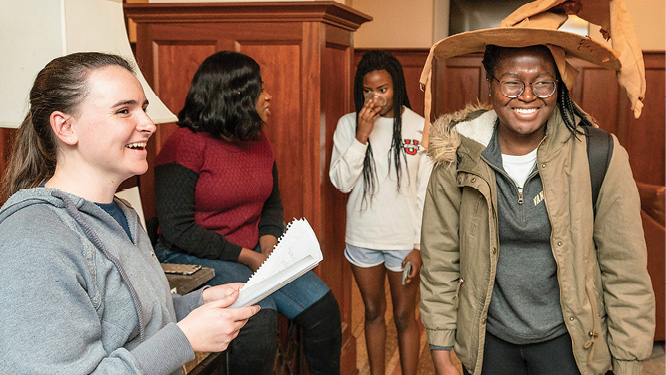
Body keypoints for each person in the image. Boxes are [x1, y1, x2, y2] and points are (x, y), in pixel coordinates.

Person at [418, 2, 655, 375]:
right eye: (512, 82)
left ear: (558, 85)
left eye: (542, 82)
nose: (527, 95)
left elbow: (625, 270)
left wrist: (628, 361)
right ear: (491, 84)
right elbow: (440, 261)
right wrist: (441, 349)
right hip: (488, 344)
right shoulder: (459, 157)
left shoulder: (599, 155)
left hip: (572, 346)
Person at [0, 52, 259, 374]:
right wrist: (185, 338)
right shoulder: (32, 240)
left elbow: (129, 318)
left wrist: (197, 304)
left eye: (143, 109)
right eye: (124, 111)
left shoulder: (121, 213)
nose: (148, 125)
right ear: (65, 127)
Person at [153, 51, 341, 375]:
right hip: (195, 254)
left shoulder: (257, 138)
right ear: (235, 95)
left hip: (254, 252)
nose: (268, 95)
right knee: (259, 318)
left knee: (323, 310)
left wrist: (268, 245)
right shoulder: (183, 144)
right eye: (259, 88)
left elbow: (271, 203)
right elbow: (177, 228)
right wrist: (247, 257)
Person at [329, 50, 432, 375]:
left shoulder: (418, 127)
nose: (375, 98)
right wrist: (362, 134)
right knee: (372, 312)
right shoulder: (349, 124)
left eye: (382, 89)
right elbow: (341, 183)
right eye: (367, 91)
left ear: (396, 87)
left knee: (404, 316)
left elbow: (424, 193)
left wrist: (418, 246)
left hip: (404, 242)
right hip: (363, 238)